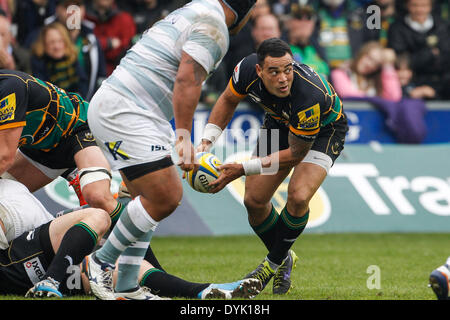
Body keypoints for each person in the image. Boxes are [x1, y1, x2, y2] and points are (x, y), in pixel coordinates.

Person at [85, 0, 257, 300]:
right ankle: (99, 263)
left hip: (132, 108)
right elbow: (187, 80)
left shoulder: (194, 9)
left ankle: (127, 283)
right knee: (166, 195)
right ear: (244, 11)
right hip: (126, 110)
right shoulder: (214, 24)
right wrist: (183, 137)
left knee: (148, 199)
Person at [197, 38, 348, 294]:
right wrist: (205, 143)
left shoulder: (309, 94)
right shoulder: (245, 70)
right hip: (278, 123)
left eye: (288, 69)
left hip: (325, 131)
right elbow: (227, 100)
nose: (283, 78)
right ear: (259, 70)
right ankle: (284, 256)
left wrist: (242, 168)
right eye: (274, 71)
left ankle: (270, 265)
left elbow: (296, 154)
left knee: (299, 195)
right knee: (254, 200)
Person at [0, 178, 261, 299]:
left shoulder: (14, 172)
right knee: (100, 216)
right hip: (18, 258)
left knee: (132, 270)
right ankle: (50, 284)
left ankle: (204, 291)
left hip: (49, 249)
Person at [0, 69, 121, 229]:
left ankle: (145, 254)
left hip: (78, 129)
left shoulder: (8, 86)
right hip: (40, 148)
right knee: (4, 200)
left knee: (98, 196)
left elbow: (4, 157)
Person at [387, 0, 450, 100]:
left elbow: (446, 58)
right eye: (414, 5)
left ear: (431, 6)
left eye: (424, 5)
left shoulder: (442, 26)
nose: (419, 10)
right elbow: (401, 60)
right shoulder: (397, 28)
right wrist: (430, 53)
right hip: (411, 83)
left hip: (441, 84)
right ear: (407, 5)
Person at [31, 21, 89, 98]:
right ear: (44, 44)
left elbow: (83, 83)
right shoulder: (38, 62)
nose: (57, 46)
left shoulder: (72, 56)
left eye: (60, 41)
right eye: (52, 42)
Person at [331, 41, 402, 102]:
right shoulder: (341, 72)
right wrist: (377, 100)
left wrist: (387, 65)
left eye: (376, 64)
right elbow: (348, 95)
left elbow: (394, 97)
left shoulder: (375, 81)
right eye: (369, 58)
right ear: (361, 54)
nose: (370, 64)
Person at [85, 0, 137, 76]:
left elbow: (127, 51)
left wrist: (95, 46)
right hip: (88, 74)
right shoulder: (84, 18)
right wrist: (107, 43)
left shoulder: (125, 19)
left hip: (118, 75)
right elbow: (80, 47)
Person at [286, 3, 330, 78]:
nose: (304, 22)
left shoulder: (318, 48)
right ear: (288, 22)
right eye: (298, 17)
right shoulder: (282, 49)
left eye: (309, 18)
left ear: (313, 24)